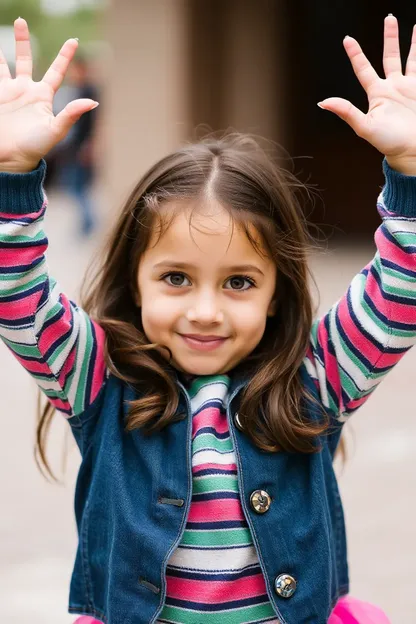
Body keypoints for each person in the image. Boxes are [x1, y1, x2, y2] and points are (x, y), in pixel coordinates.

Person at [0, 15, 414, 624]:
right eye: (175, 278)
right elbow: (19, 296)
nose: (204, 311)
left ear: (276, 293)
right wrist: (13, 176)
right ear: (134, 283)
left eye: (239, 282)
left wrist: (408, 171)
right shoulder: (99, 378)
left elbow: (398, 292)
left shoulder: (316, 379)